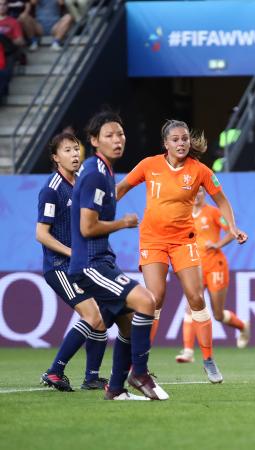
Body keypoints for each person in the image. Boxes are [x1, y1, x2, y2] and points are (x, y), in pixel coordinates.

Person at [115, 120, 248, 384]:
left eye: (185, 139)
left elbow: (221, 199)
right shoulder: (148, 165)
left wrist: (232, 228)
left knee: (197, 298)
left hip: (183, 241)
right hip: (152, 241)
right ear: (165, 144)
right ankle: (140, 363)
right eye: (175, 139)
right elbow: (121, 188)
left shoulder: (199, 170)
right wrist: (98, 212)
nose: (181, 143)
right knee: (154, 299)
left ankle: (208, 360)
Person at [69, 110, 168, 400]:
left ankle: (114, 389)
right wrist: (123, 223)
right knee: (147, 301)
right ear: (94, 140)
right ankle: (139, 372)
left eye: (120, 134)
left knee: (128, 323)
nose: (117, 139)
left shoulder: (104, 171)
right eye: (110, 135)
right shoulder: (95, 175)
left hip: (100, 261)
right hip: (90, 264)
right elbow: (87, 227)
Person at [38, 133, 109, 392]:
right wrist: (70, 252)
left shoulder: (80, 183)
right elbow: (41, 234)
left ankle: (92, 377)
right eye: (67, 150)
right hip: (59, 266)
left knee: (100, 318)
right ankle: (54, 371)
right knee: (92, 316)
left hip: (79, 264)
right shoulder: (52, 189)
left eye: (76, 149)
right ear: (56, 158)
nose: (75, 154)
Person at [176, 187, 250, 363]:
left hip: (215, 266)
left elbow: (232, 231)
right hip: (195, 266)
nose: (196, 196)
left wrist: (218, 244)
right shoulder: (184, 214)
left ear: (204, 194)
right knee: (190, 305)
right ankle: (187, 352)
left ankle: (243, 326)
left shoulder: (214, 212)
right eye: (193, 193)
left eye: (200, 192)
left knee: (217, 314)